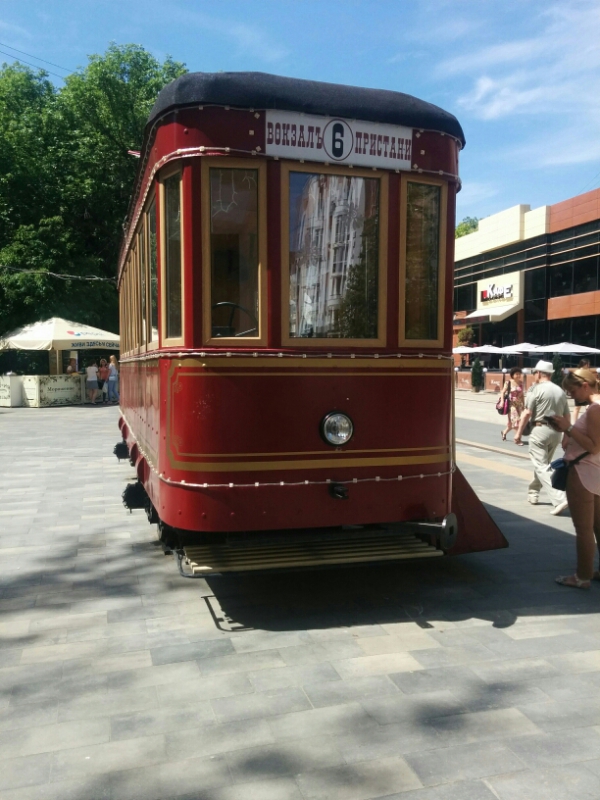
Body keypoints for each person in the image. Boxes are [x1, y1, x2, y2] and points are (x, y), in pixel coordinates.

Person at [548, 369, 600, 588]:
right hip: (595, 472)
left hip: (582, 472)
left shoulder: (595, 409)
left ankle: (582, 577)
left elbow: (594, 446)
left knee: (583, 529)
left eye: (572, 390)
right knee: (597, 526)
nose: (571, 395)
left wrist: (567, 428)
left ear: (585, 385)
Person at [514, 360, 571, 515]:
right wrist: (567, 435)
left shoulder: (535, 389)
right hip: (556, 433)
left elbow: (527, 412)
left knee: (541, 466)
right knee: (543, 465)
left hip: (539, 430)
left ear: (538, 373)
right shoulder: (560, 391)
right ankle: (533, 492)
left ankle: (560, 498)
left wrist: (518, 433)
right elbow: (567, 416)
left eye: (534, 373)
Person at [500, 367, 525, 444]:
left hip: (519, 405)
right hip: (511, 405)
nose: (518, 375)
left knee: (517, 422)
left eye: (519, 374)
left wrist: (524, 405)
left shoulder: (521, 383)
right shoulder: (508, 383)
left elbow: (522, 395)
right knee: (516, 421)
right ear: (512, 375)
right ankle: (517, 439)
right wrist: (502, 401)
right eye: (516, 374)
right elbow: (502, 392)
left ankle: (504, 432)